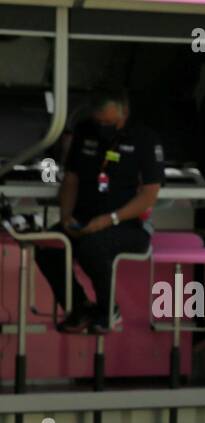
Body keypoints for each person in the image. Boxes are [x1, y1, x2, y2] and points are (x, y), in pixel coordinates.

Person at [35, 89, 161, 334]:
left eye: (110, 123)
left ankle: (107, 310)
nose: (103, 127)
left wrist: (110, 219)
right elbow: (71, 179)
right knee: (48, 245)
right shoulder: (84, 131)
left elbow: (149, 195)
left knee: (92, 245)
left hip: (128, 226)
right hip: (84, 219)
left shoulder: (144, 138)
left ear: (124, 114)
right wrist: (66, 216)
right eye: (99, 122)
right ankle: (79, 307)